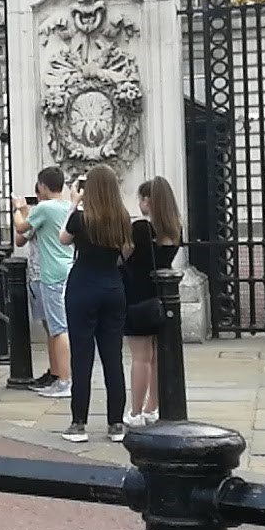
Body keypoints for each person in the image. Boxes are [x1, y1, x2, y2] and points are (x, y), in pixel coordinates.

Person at [59, 166, 132, 443]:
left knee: (82, 356)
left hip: (82, 287)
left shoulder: (80, 218)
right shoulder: (122, 218)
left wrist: (73, 204)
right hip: (112, 287)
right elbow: (125, 252)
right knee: (113, 357)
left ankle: (79, 423)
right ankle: (116, 423)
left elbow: (63, 240)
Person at [124, 177, 184, 426]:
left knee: (140, 357)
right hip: (162, 298)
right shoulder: (174, 229)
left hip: (137, 296)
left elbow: (124, 255)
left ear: (148, 201)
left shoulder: (140, 229)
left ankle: (135, 412)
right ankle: (152, 407)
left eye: (140, 199)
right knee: (157, 358)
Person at [13, 167, 77, 400]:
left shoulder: (45, 208)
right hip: (68, 268)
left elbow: (21, 229)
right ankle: (59, 374)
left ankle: (65, 380)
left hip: (50, 272)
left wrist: (19, 209)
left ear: (42, 186)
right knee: (57, 326)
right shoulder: (68, 207)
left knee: (59, 328)